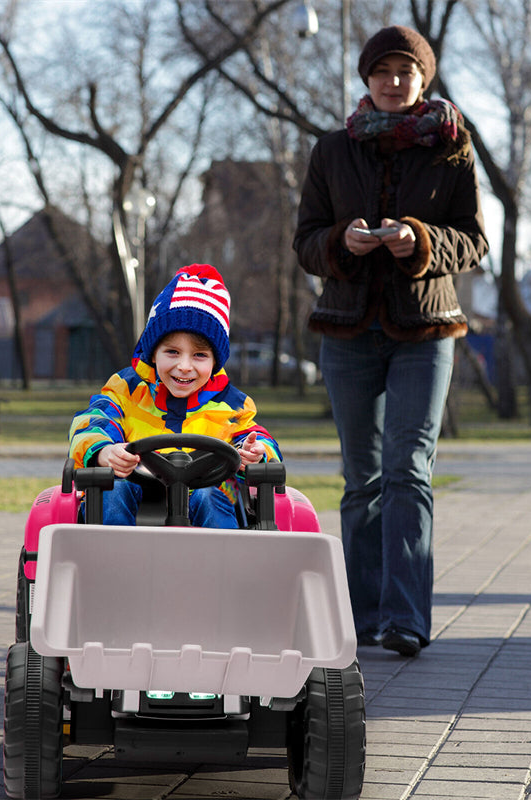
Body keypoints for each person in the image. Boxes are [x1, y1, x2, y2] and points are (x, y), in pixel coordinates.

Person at [293, 25, 488, 657]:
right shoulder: (331, 151)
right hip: (348, 332)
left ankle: (406, 620)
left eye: (406, 71)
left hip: (425, 331)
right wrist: (338, 244)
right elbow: (305, 242)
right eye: (382, 71)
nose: (393, 81)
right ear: (366, 79)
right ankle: (362, 617)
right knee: (361, 480)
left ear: (423, 78)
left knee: (410, 471)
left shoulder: (453, 149)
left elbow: (475, 241)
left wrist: (421, 240)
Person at [69, 263, 282, 528]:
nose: (184, 366)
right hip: (135, 498)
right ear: (153, 352)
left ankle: (224, 566)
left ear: (215, 361)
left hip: (205, 498)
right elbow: (91, 421)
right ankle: (113, 564)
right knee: (113, 491)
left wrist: (257, 451)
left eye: (199, 355)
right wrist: (103, 451)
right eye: (172, 352)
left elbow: (258, 438)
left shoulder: (232, 406)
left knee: (209, 497)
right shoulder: (127, 390)